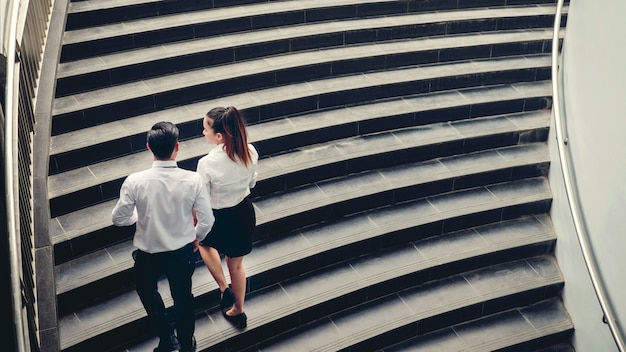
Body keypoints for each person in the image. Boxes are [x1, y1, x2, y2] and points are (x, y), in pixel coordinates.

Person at [112, 121, 214, 352]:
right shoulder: (192, 180)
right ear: (177, 147)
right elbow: (207, 220)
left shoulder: (135, 181)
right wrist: (195, 238)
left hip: (148, 253)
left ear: (149, 147)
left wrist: (138, 217)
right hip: (181, 252)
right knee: (183, 298)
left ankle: (167, 338)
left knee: (147, 292)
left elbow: (119, 219)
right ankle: (187, 344)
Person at [196, 106, 258, 329]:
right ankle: (238, 309)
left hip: (218, 216)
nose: (203, 132)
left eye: (205, 129)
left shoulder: (207, 164)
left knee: (204, 244)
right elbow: (251, 183)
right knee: (237, 265)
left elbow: (201, 198)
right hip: (242, 213)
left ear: (219, 135)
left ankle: (224, 288)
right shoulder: (250, 151)